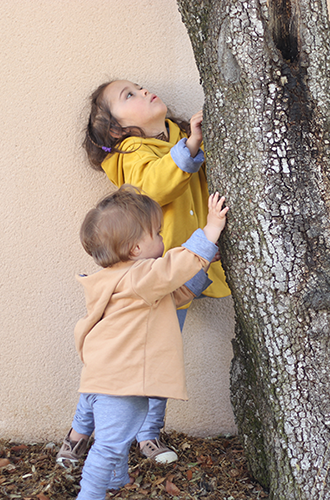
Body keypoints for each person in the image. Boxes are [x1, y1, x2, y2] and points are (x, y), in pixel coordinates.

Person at [57, 79, 231, 467]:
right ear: (117, 129)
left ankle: (148, 434)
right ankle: (79, 432)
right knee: (113, 364)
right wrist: (189, 148)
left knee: (161, 356)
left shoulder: (181, 136)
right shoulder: (128, 155)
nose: (143, 92)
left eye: (139, 87)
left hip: (185, 273)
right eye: (129, 96)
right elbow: (153, 187)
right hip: (148, 279)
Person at [70, 184, 228, 499]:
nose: (162, 238)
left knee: (117, 435)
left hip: (105, 376)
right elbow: (174, 267)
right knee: (110, 444)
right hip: (122, 383)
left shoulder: (116, 279)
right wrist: (209, 232)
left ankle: (115, 480)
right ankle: (90, 494)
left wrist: (204, 263)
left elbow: (175, 296)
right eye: (156, 233)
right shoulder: (140, 276)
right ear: (135, 249)